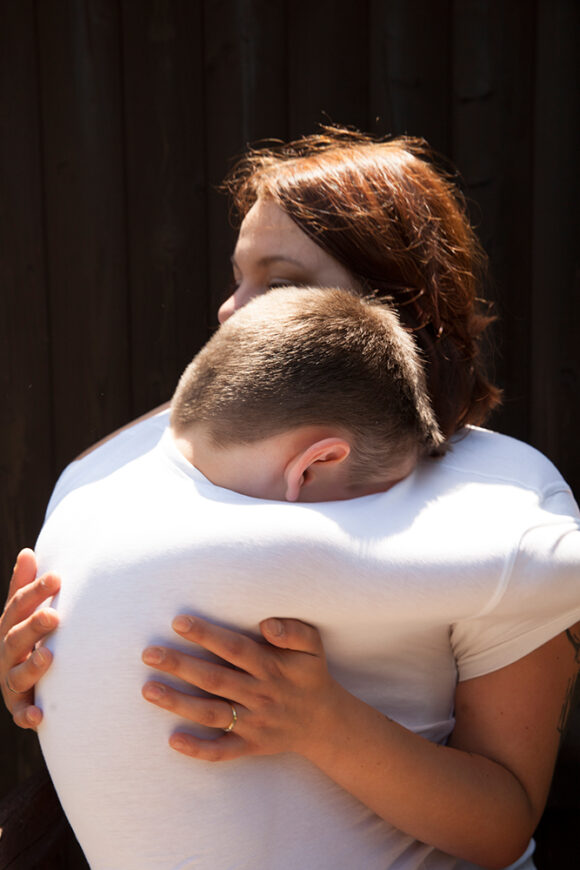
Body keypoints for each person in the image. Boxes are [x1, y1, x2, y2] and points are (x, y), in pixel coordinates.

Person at [1, 127, 579, 870]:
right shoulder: (133, 455)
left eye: (278, 284)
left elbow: (502, 825)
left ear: (392, 307)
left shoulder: (500, 496)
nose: (230, 310)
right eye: (237, 276)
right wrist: (52, 669)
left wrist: (325, 725)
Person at [34, 285, 442, 870]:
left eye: (276, 282)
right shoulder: (254, 546)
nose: (232, 307)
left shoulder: (85, 492)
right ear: (314, 466)